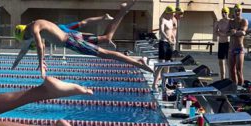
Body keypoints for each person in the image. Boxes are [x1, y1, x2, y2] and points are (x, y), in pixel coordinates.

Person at [12, 19, 152, 77]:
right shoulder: (35, 25)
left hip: (71, 41)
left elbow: (39, 46)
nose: (26, 40)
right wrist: (15, 63)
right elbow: (25, 48)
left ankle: (138, 62)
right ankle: (136, 60)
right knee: (104, 46)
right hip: (71, 36)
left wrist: (41, 65)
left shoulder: (34, 29)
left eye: (25, 38)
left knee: (105, 53)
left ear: (24, 33)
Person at [227, 5, 248, 85]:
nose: (237, 12)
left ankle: (241, 87)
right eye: (236, 11)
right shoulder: (231, 22)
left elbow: (243, 32)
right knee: (231, 70)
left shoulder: (244, 21)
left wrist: (233, 32)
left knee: (239, 70)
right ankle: (234, 86)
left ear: (241, 11)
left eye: (239, 10)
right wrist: (235, 32)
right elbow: (227, 33)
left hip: (240, 49)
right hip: (231, 48)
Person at [213, 7, 231, 79]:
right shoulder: (219, 22)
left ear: (228, 13)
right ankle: (222, 78)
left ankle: (230, 78)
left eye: (225, 12)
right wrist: (221, 34)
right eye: (222, 12)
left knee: (229, 63)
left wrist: (225, 34)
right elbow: (215, 32)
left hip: (228, 43)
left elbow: (233, 32)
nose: (224, 14)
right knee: (221, 62)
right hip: (221, 43)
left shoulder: (230, 22)